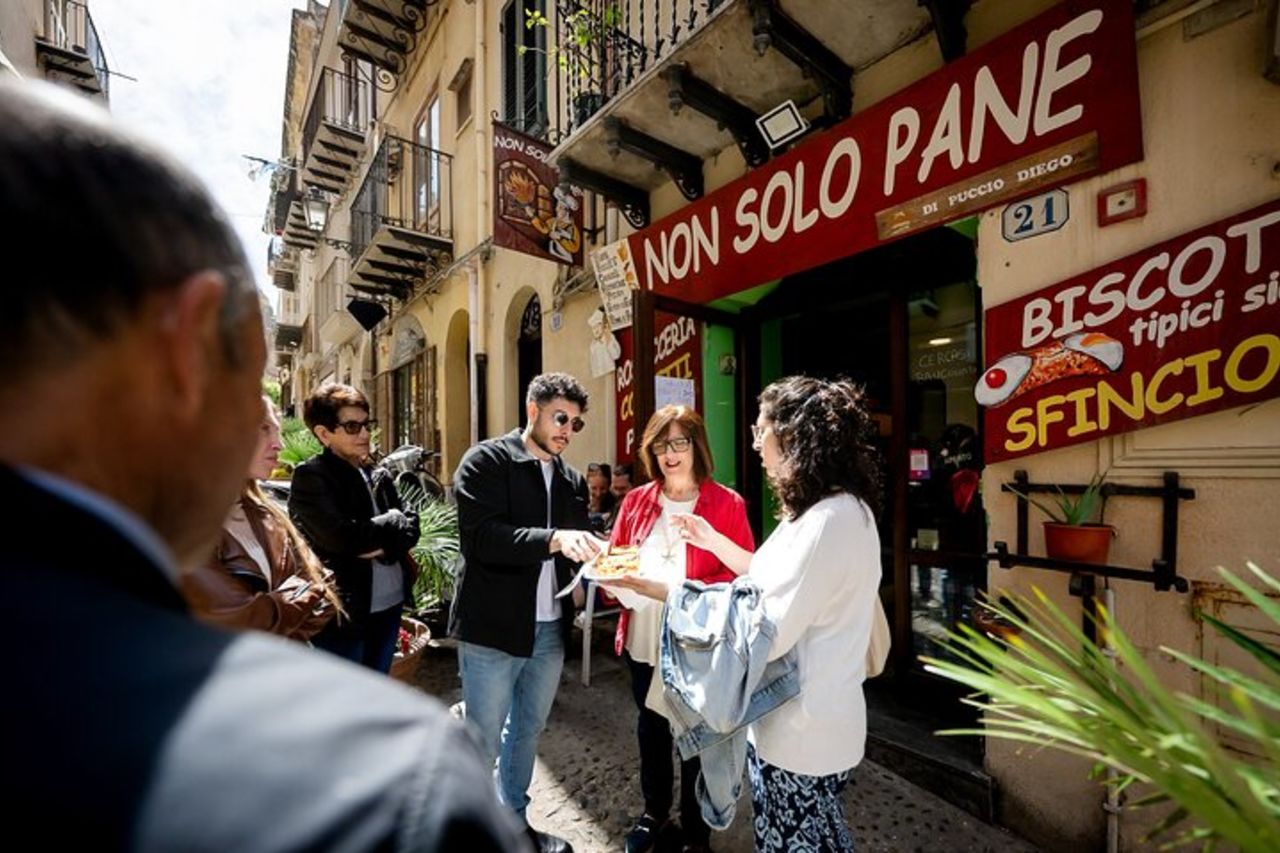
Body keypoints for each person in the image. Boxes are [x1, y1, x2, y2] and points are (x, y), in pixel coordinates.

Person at [0, 80, 522, 850]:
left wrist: (377, 537)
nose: (267, 433)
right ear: (188, 346)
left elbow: (388, 530)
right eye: (251, 387)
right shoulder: (384, 787)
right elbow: (349, 538)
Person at [611, 377, 882, 852]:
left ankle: (696, 832)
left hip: (802, 731)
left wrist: (663, 589)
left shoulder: (825, 521)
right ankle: (659, 814)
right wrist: (711, 539)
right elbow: (768, 573)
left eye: (762, 431)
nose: (756, 443)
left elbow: (761, 629)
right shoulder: (830, 511)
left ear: (794, 436)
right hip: (803, 724)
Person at [451, 372, 605, 853]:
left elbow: (578, 547)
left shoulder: (570, 480)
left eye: (576, 424)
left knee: (529, 731)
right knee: (483, 736)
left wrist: (606, 556)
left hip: (549, 629)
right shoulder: (486, 461)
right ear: (532, 409)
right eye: (561, 418)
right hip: (493, 627)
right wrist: (554, 539)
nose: (566, 430)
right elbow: (482, 538)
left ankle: (513, 822)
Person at [608, 406, 755, 853]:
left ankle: (696, 832)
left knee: (694, 737)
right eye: (660, 445)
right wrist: (611, 577)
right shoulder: (636, 501)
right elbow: (617, 560)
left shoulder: (726, 504)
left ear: (696, 446)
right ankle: (655, 814)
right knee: (651, 729)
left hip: (697, 645)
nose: (670, 454)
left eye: (679, 443)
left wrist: (673, 589)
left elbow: (743, 581)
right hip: (645, 639)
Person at [183, 398, 342, 641]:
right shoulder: (184, 529)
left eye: (277, 431)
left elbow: (327, 593)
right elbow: (240, 625)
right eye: (264, 428)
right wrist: (303, 594)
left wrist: (274, 612)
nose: (278, 444)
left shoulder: (267, 514)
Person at [289, 382, 420, 673]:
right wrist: (392, 523)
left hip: (390, 604)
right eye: (351, 426)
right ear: (324, 434)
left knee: (377, 692)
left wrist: (380, 542)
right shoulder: (312, 477)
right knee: (344, 703)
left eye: (366, 424)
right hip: (343, 614)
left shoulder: (377, 472)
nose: (364, 434)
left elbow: (412, 528)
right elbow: (344, 539)